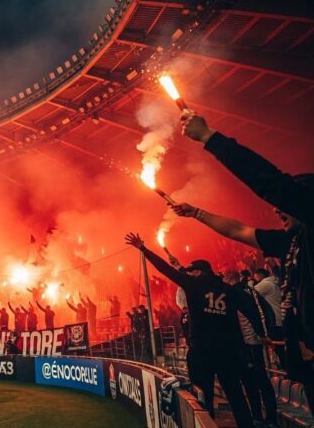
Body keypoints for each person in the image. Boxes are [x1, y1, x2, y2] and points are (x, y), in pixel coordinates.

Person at [177, 110, 313, 413]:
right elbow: (238, 230)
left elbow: (271, 183)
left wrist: (210, 138)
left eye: (285, 204)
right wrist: (196, 213)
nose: (276, 210)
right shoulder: (288, 242)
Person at [125, 232, 262, 428]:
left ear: (197, 272)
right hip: (227, 351)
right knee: (236, 395)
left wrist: (143, 249)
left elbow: (164, 269)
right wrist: (263, 334)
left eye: (191, 271)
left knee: (202, 398)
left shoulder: (193, 284)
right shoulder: (227, 289)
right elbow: (252, 308)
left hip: (201, 350)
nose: (189, 274)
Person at [224, 270, 278, 426]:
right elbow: (265, 310)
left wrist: (262, 334)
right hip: (252, 342)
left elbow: (257, 313)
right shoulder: (250, 290)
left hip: (249, 343)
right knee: (258, 381)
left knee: (255, 382)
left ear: (229, 279)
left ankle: (265, 418)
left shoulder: (238, 292)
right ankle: (264, 418)